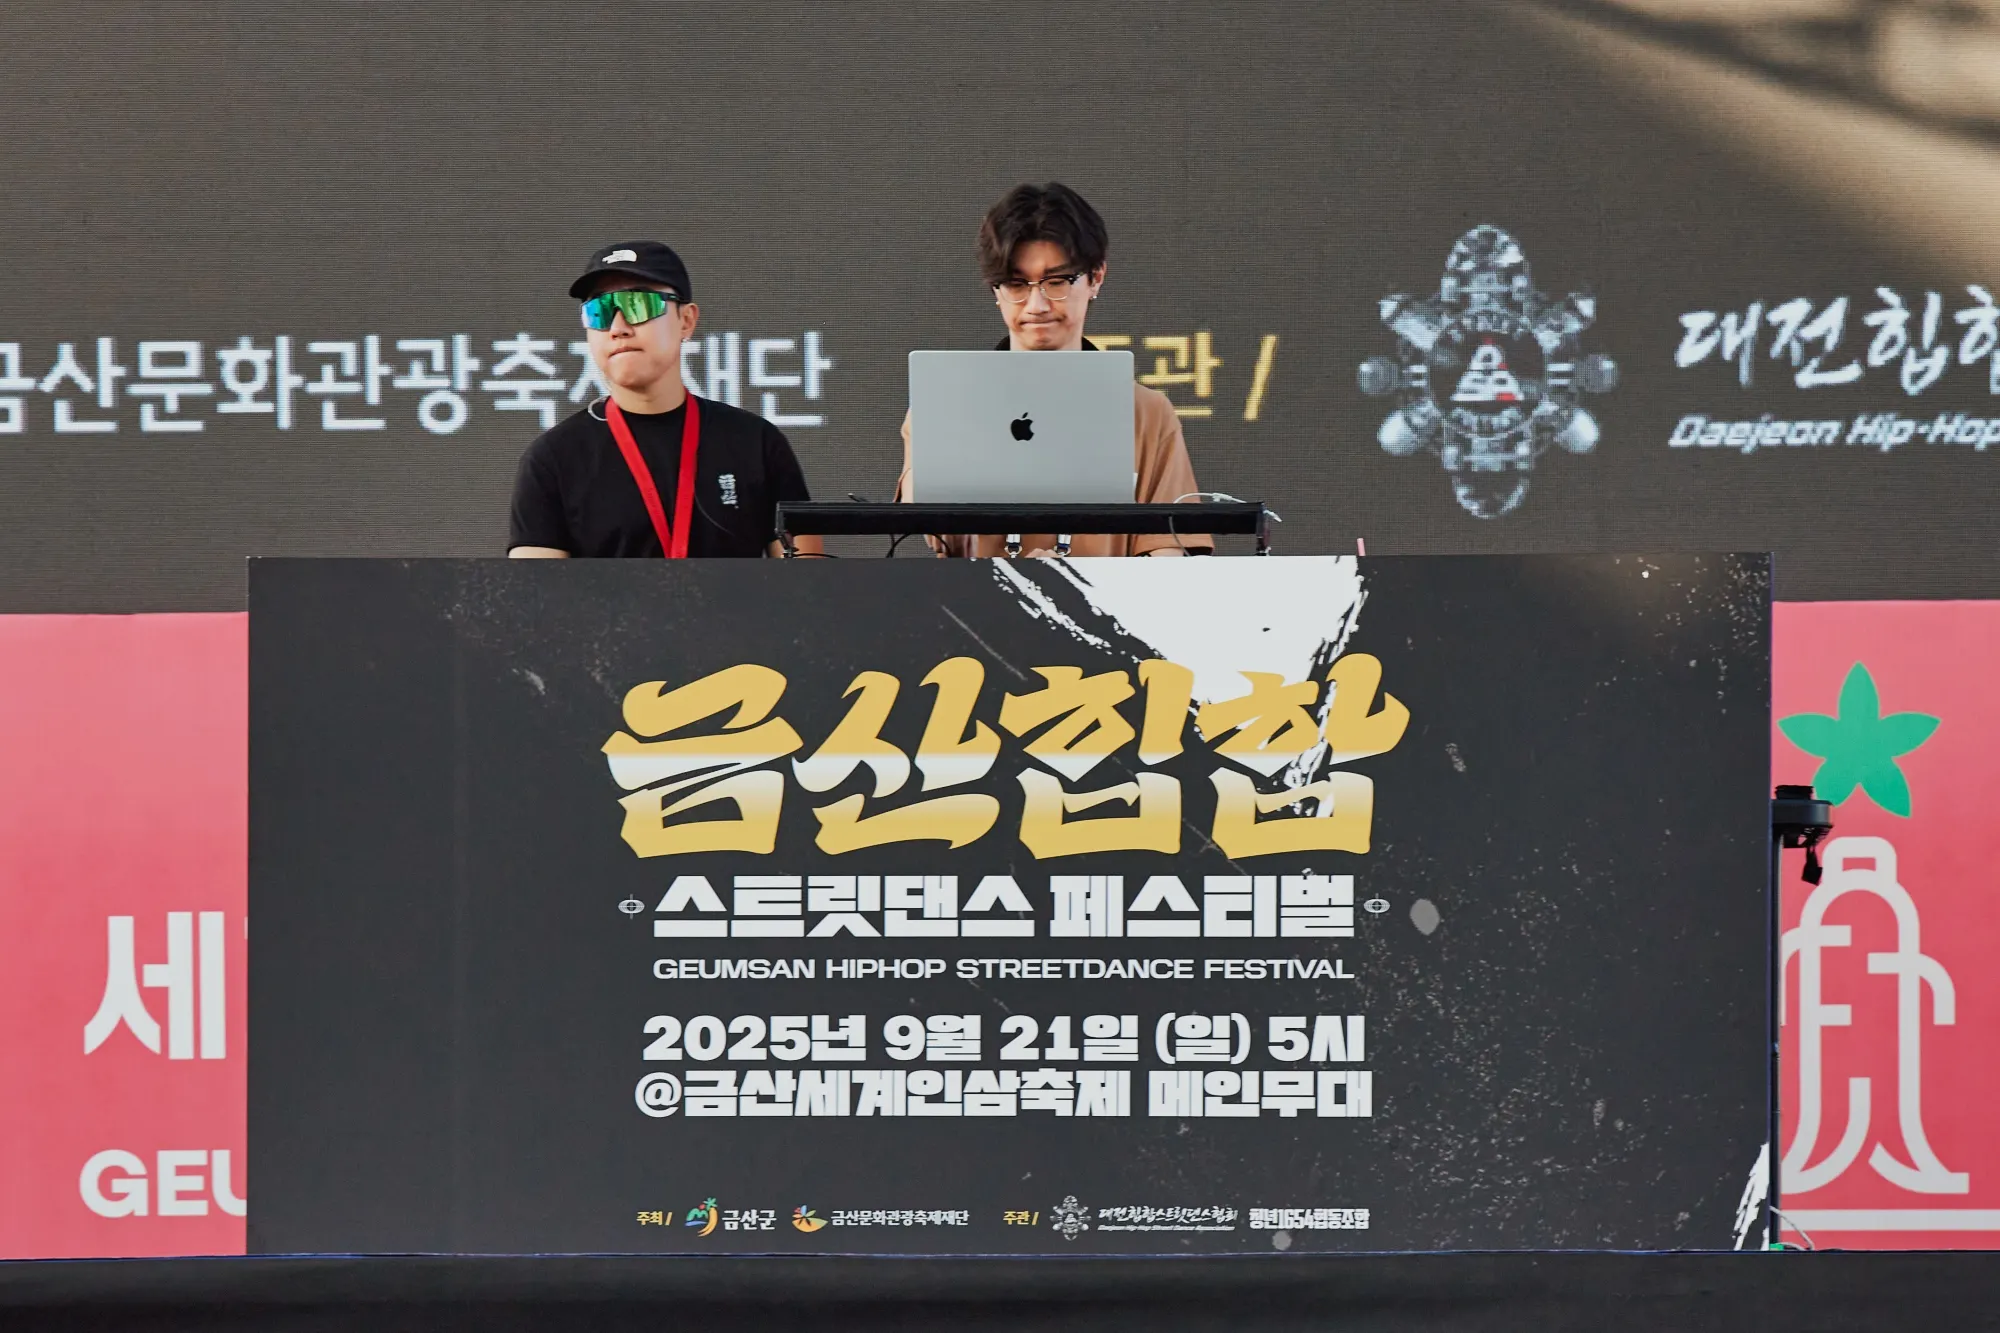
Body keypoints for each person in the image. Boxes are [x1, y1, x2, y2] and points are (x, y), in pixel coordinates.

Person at [897, 183, 1212, 556]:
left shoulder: (1146, 412)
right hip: (977, 594)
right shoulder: (944, 402)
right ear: (995, 290)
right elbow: (926, 523)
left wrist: (1074, 583)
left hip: (1104, 596)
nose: (1037, 304)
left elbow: (1170, 552)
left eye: (1057, 281)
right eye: (1016, 284)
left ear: (1096, 277)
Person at [509, 241, 816, 558]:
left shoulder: (756, 442)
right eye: (599, 311)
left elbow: (807, 577)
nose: (618, 328)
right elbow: (531, 588)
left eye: (638, 304)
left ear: (686, 320)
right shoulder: (553, 458)